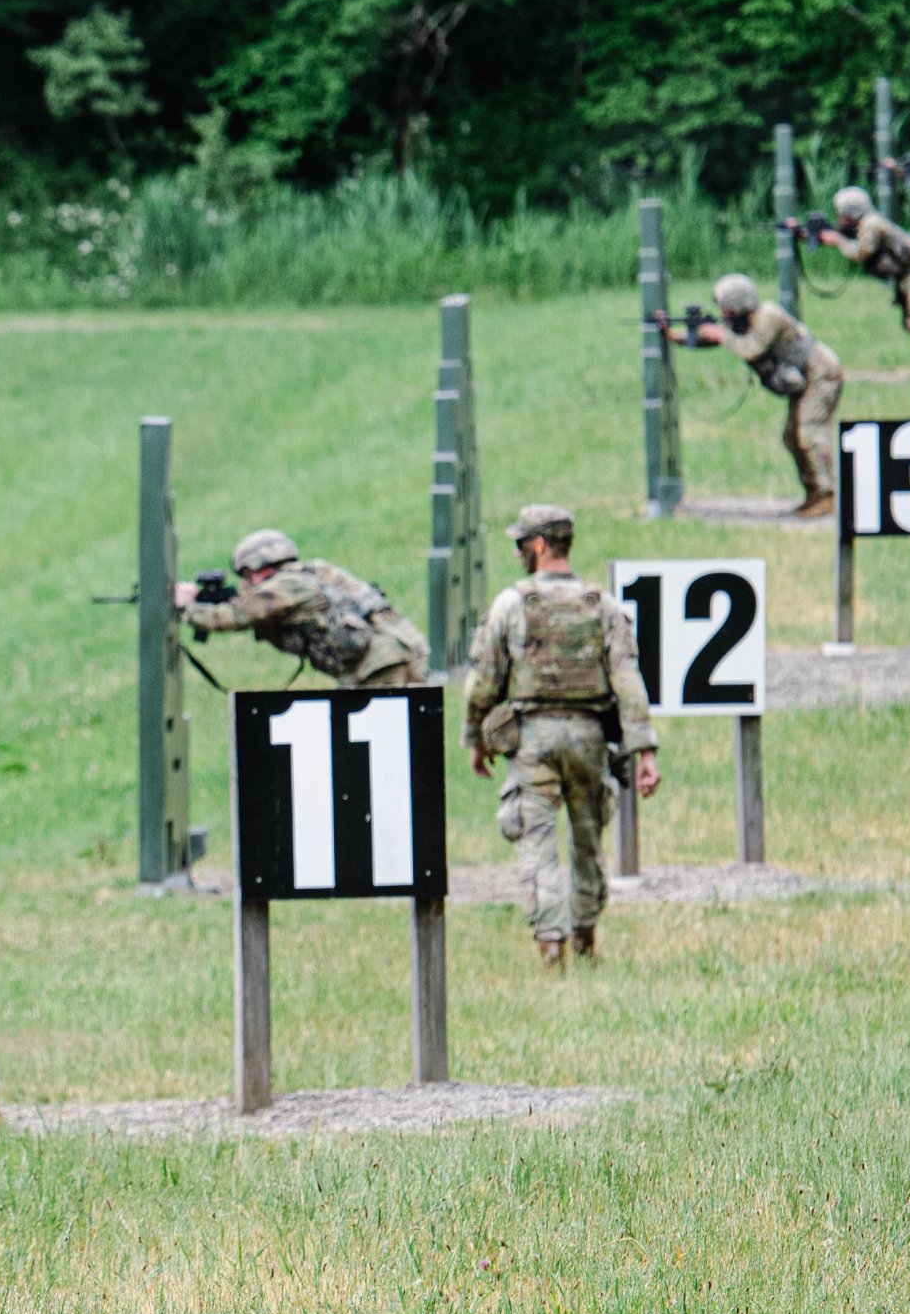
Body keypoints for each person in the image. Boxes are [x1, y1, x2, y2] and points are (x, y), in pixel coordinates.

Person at [459, 509, 657, 971]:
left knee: (537, 841)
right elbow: (628, 681)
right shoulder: (602, 605)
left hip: (533, 740)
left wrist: (476, 737)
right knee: (588, 839)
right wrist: (644, 750)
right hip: (589, 738)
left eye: (522, 542)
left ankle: (551, 946)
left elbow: (484, 681)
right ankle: (586, 936)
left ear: (543, 545)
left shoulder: (512, 604)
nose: (517, 551)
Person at [669, 273, 843, 516]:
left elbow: (750, 349)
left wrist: (720, 333)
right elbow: (718, 339)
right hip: (802, 379)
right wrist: (675, 336)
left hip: (821, 375)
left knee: (810, 432)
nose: (723, 314)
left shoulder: (768, 317)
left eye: (726, 309)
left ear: (739, 304)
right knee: (792, 437)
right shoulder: (741, 322)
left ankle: (829, 495)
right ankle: (814, 492)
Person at [174, 528, 433, 686]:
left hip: (376, 669)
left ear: (261, 568)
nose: (246, 584)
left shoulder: (285, 586)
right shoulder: (314, 573)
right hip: (401, 654)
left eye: (247, 576)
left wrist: (186, 606)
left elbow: (233, 616)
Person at [821, 184, 910, 373]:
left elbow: (861, 253)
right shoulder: (868, 223)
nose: (839, 217)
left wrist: (838, 240)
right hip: (908, 271)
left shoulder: (871, 225)